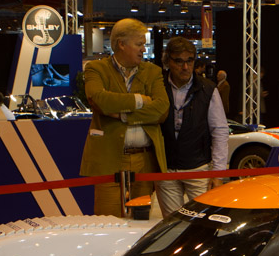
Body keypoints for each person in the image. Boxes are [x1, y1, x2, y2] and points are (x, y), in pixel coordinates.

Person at [80, 18, 169, 216]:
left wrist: (123, 116)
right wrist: (139, 100)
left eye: (143, 45)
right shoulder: (96, 69)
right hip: (108, 158)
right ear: (121, 44)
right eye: (139, 44)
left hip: (144, 161)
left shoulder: (153, 72)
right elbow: (100, 99)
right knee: (108, 223)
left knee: (140, 223)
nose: (143, 50)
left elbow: (161, 110)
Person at [156, 37, 230, 217]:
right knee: (171, 225)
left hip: (198, 168)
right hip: (165, 169)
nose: (185, 67)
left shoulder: (208, 89)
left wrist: (218, 174)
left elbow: (220, 130)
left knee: (203, 222)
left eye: (189, 61)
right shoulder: (157, 86)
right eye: (179, 61)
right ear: (168, 62)